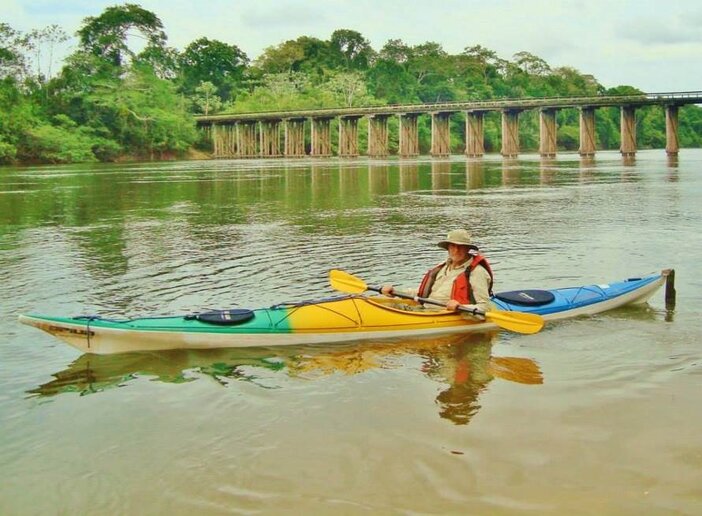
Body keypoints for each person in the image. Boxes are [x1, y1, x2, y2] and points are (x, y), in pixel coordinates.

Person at [380, 229, 494, 314]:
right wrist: (395, 292)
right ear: (448, 248)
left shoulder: (477, 272)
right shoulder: (443, 267)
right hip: (424, 308)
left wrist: (460, 306)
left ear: (468, 249)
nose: (456, 250)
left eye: (461, 246)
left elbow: (485, 307)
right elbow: (422, 293)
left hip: (442, 315)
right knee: (385, 301)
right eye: (453, 246)